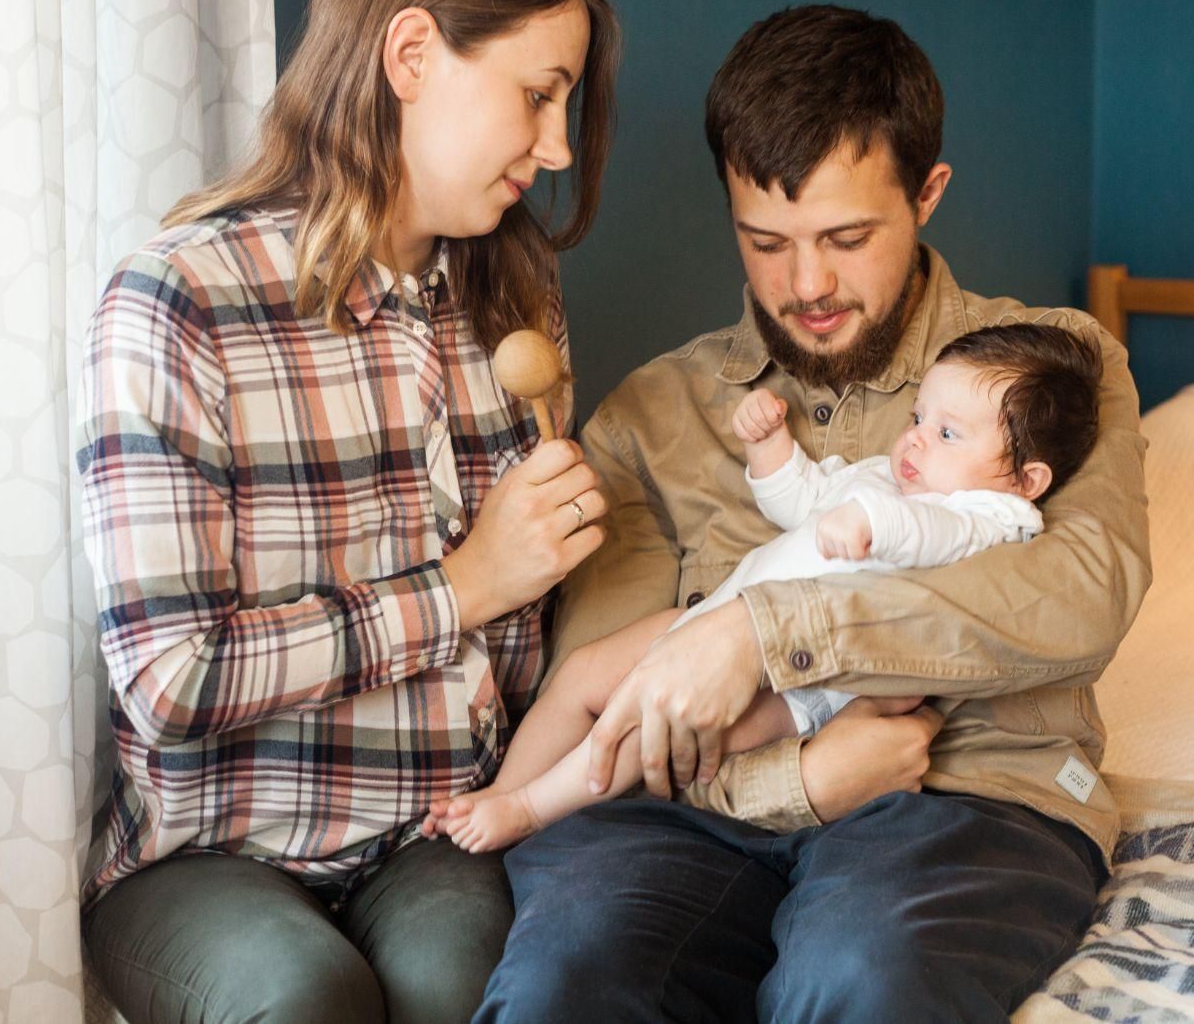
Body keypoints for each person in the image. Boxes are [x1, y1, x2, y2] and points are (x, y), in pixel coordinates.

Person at [476, 4, 1151, 1022]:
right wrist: (793, 782)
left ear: (926, 194)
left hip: (968, 799)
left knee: (858, 977)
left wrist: (765, 635)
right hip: (690, 818)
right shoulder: (653, 415)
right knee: (558, 984)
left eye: (845, 237)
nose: (807, 285)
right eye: (765, 241)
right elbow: (622, 707)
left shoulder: (1054, 371)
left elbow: (1077, 594)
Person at [74, 0, 619, 1024]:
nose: (557, 147)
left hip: (430, 834)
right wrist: (463, 585)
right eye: (537, 95)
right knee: (301, 998)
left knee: (479, 987)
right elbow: (171, 680)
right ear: (412, 53)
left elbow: (530, 650)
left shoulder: (515, 300)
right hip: (210, 852)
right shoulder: (178, 301)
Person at [427, 322, 1104, 852]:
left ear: (1026, 478)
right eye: (919, 416)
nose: (918, 440)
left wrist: (869, 520)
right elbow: (802, 500)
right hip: (722, 619)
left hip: (799, 684)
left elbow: (930, 534)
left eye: (948, 431)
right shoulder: (887, 475)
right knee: (585, 669)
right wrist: (771, 449)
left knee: (655, 729)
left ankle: (530, 808)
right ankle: (502, 795)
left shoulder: (995, 515)